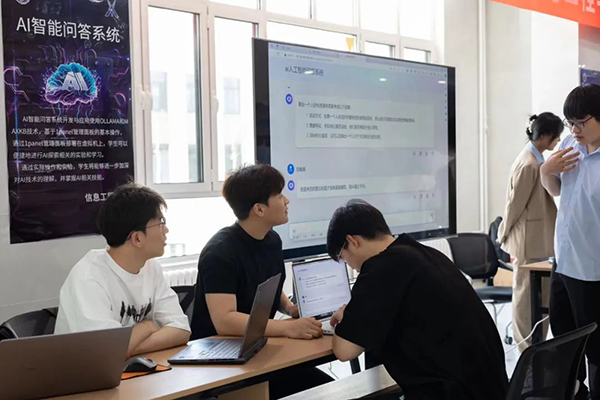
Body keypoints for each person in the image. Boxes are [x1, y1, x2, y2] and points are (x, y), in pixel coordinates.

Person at [327, 200, 509, 400]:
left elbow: (344, 351)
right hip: (490, 389)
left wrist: (346, 317)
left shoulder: (380, 268)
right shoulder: (426, 254)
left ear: (352, 241)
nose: (351, 266)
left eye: (343, 257)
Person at [190, 164, 331, 399]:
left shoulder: (271, 240)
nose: (287, 201)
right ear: (259, 209)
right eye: (279, 195)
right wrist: (287, 328)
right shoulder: (220, 252)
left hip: (258, 347)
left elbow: (268, 284)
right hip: (222, 362)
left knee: (329, 390)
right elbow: (225, 320)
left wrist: (289, 308)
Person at [55, 183, 191, 357]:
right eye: (160, 223)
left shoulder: (151, 267)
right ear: (137, 238)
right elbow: (106, 352)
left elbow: (181, 330)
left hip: (133, 366)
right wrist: (148, 326)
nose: (166, 230)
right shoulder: (88, 277)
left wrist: (129, 348)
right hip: (85, 373)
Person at [542, 84, 600, 400]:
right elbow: (556, 190)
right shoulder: (568, 145)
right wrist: (546, 170)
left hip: (592, 270)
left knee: (596, 352)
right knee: (563, 346)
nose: (574, 130)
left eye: (581, 122)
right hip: (563, 262)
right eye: (570, 123)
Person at [498, 112, 562, 352]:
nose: (558, 141)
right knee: (525, 297)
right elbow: (514, 205)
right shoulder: (529, 163)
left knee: (539, 295)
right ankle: (526, 349)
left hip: (536, 239)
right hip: (526, 240)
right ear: (544, 136)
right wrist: (503, 234)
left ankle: (537, 346)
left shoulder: (536, 159)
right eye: (556, 137)